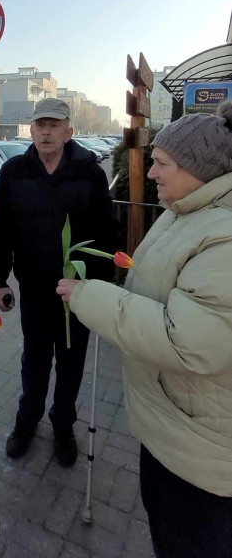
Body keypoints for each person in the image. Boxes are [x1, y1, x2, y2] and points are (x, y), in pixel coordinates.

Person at [57, 103, 232, 558]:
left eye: (162, 162)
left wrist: (90, 296)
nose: (152, 172)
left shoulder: (224, 233)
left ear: (198, 169)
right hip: (171, 430)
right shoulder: (185, 210)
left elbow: (186, 341)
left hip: (203, 460)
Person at [0, 98, 119, 465]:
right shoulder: (14, 171)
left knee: (72, 362)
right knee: (34, 360)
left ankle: (63, 425)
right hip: (33, 289)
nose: (46, 131)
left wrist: (95, 283)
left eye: (54, 124)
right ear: (31, 129)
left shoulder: (90, 173)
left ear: (68, 131)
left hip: (77, 292)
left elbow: (108, 234)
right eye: (39, 124)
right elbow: (1, 231)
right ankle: (26, 421)